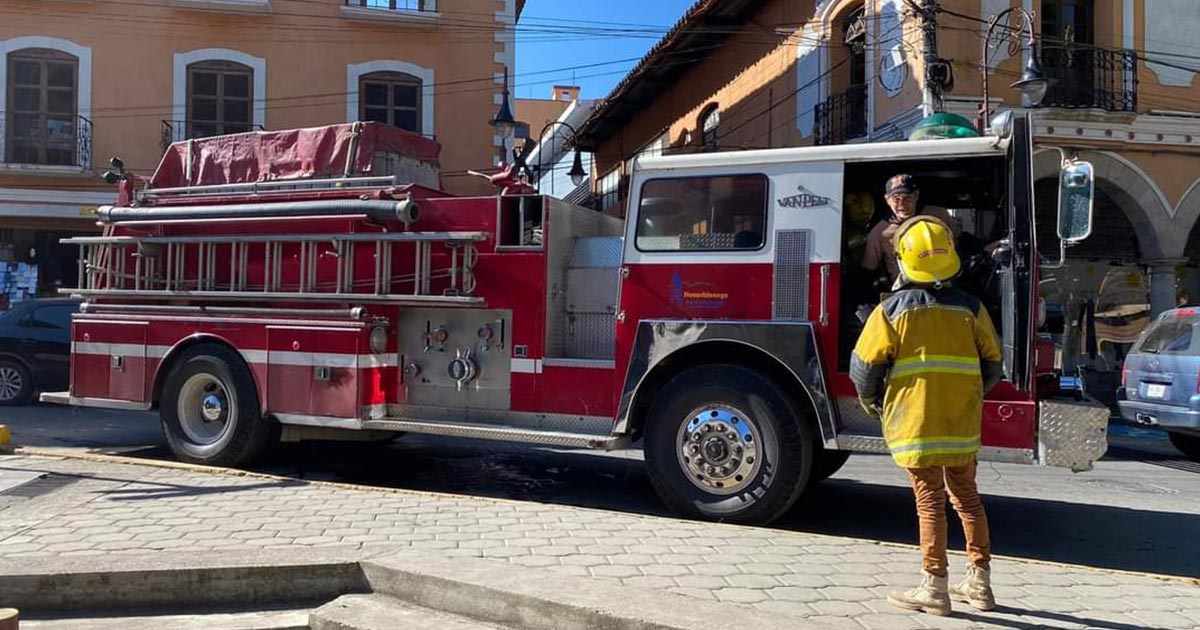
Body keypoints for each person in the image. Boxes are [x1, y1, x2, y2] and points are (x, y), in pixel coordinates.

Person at [849, 216, 1003, 617]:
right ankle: (980, 584)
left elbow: (864, 369)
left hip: (916, 423)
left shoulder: (892, 311)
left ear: (903, 260)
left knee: (929, 502)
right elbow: (993, 363)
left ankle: (934, 587)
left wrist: (873, 403)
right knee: (968, 499)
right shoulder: (972, 307)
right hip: (961, 423)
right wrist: (970, 395)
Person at [862, 174, 958, 285]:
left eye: (907, 198)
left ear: (916, 195)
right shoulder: (880, 233)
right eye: (896, 199)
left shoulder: (939, 215)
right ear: (887, 200)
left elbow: (957, 242)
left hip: (944, 282)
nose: (902, 205)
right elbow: (868, 270)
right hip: (905, 291)